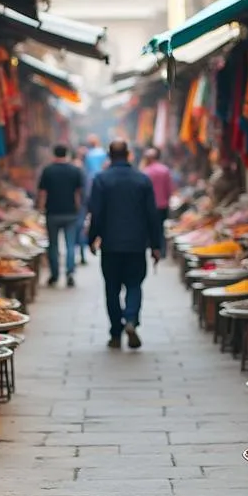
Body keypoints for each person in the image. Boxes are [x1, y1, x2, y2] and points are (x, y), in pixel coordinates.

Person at [88, 140, 163, 349]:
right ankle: (130, 319)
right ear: (129, 154)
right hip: (137, 244)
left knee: (111, 288)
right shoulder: (142, 180)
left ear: (109, 156)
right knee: (134, 284)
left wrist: (92, 239)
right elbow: (152, 215)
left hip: (110, 245)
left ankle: (115, 332)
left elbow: (97, 213)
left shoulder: (101, 179)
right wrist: (156, 245)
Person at [37, 144, 85, 287]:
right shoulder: (75, 171)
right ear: (67, 154)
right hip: (70, 213)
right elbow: (77, 193)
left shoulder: (48, 171)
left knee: (53, 246)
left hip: (52, 213)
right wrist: (77, 209)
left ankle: (55, 275)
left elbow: (43, 193)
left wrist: (40, 209)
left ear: (54, 154)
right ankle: (70, 273)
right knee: (70, 245)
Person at [141, 146, 173, 257]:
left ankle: (151, 248)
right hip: (162, 204)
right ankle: (162, 250)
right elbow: (169, 189)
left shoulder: (145, 172)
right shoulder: (165, 170)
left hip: (149, 205)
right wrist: (168, 199)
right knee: (160, 227)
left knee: (149, 227)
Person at [74, 145, 90, 266]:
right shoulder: (81, 169)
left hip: (76, 206)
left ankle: (78, 256)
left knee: (77, 231)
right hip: (79, 206)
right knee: (79, 230)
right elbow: (83, 190)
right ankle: (79, 255)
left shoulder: (79, 168)